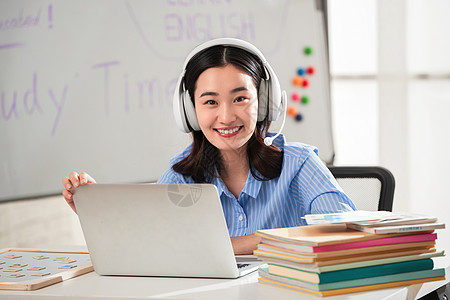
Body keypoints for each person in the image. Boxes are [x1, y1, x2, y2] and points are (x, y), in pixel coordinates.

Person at [62, 38, 356, 255]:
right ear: (190, 111)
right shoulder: (179, 178)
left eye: (240, 98)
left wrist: (228, 246)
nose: (226, 116)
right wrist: (92, 209)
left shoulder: (300, 164)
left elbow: (346, 231)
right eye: (210, 102)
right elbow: (145, 249)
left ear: (265, 101)